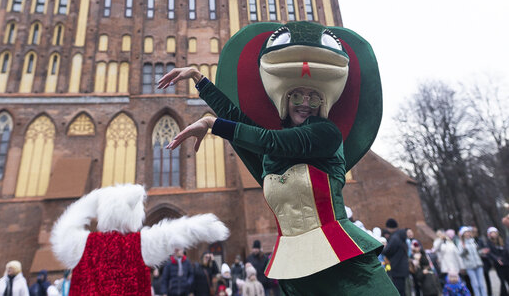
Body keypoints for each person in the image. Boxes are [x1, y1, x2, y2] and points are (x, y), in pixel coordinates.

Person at [159, 22, 396, 296]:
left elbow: (268, 140)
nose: (305, 102)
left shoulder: (326, 134)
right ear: (286, 98)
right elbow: (243, 124)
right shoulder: (273, 157)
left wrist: (214, 124)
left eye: (314, 97)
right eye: (297, 95)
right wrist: (199, 80)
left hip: (344, 262)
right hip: (294, 267)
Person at [485, 227, 509, 296]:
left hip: (506, 263)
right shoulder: (489, 243)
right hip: (498, 265)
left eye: (494, 232)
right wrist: (497, 259)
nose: (493, 234)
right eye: (491, 233)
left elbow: (506, 250)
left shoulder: (501, 241)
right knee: (503, 281)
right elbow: (489, 253)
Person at [458, 227, 487, 296]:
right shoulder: (461, 243)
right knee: (475, 284)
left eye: (468, 232)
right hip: (469, 266)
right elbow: (460, 254)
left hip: (478, 264)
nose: (467, 234)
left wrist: (482, 252)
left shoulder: (473, 241)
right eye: (466, 232)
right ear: (463, 234)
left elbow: (477, 252)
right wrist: (464, 249)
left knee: (481, 283)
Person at [384, 219, 409, 296]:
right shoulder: (401, 236)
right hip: (403, 266)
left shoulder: (394, 238)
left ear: (390, 227)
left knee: (399, 291)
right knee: (403, 290)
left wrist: (383, 248)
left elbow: (387, 251)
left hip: (397, 267)